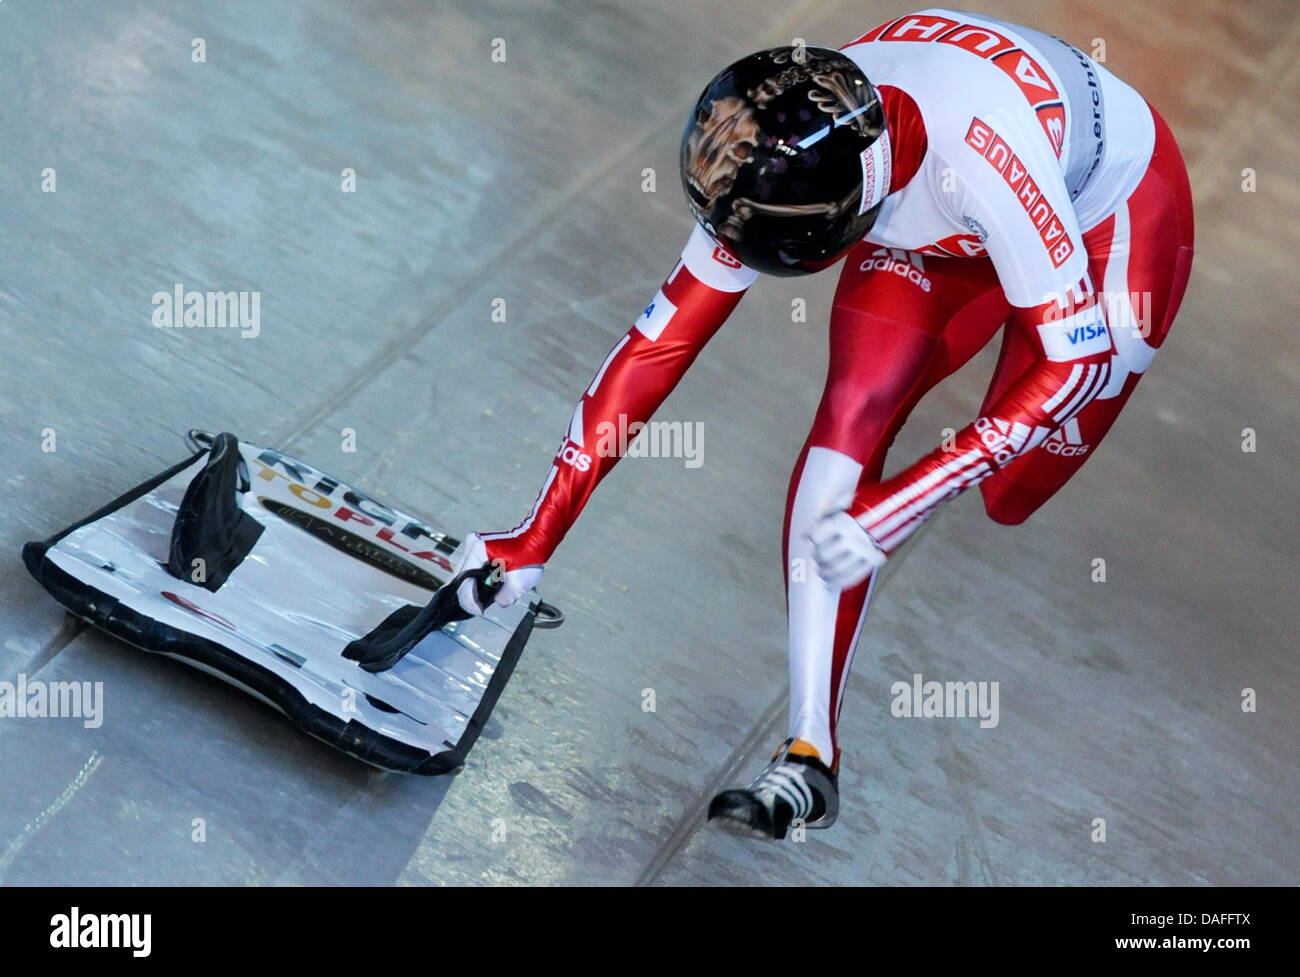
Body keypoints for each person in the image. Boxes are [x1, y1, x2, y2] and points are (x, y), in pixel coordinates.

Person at [446, 8, 1194, 839]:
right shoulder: (780, 153)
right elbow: (660, 344)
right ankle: (812, 754)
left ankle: (824, 706)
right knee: (849, 418)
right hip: (934, 211)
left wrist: (898, 506)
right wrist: (535, 534)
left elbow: (1076, 361)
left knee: (1016, 487)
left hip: (1106, 212)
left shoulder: (980, 158)